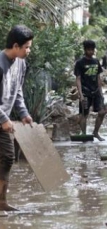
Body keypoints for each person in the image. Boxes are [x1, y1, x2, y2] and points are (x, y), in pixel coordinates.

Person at [0, 25, 34, 211]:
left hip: (2, 119)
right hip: (1, 118)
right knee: (7, 156)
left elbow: (17, 89)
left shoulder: (20, 63)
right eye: (26, 47)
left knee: (6, 157)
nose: (28, 50)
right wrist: (4, 119)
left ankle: (1, 202)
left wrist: (23, 113)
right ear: (15, 45)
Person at [75, 40, 106, 141]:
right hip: (85, 91)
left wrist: (101, 93)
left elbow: (98, 77)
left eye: (92, 50)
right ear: (85, 50)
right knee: (84, 114)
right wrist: (80, 94)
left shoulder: (96, 61)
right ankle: (84, 135)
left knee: (102, 112)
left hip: (96, 91)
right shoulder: (80, 63)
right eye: (89, 50)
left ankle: (95, 132)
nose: (91, 52)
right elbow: (78, 79)